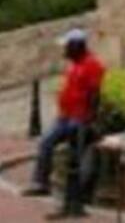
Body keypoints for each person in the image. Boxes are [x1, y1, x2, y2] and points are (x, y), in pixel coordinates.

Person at [22, 29, 105, 211]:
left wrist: (89, 117)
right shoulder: (75, 64)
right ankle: (40, 183)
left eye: (67, 46)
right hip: (65, 116)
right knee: (45, 142)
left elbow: (94, 93)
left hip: (79, 117)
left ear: (77, 46)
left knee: (76, 156)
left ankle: (77, 197)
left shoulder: (92, 65)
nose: (64, 50)